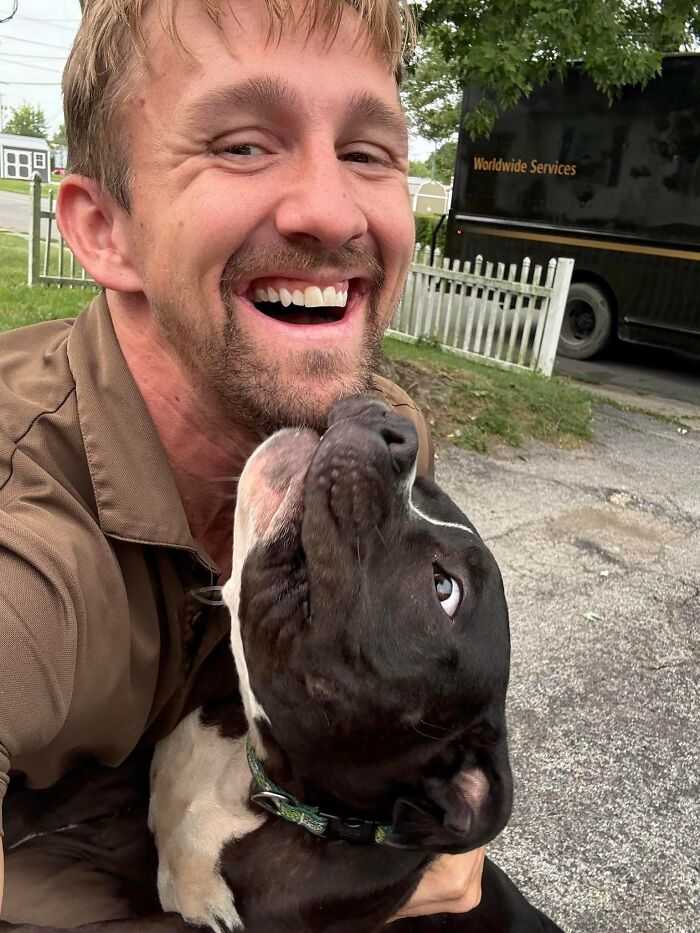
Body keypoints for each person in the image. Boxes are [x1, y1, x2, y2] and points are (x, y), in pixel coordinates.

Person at [0, 0, 487, 926]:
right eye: (242, 144)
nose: (332, 209)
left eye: (368, 151)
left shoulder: (368, 446)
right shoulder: (26, 524)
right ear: (106, 228)